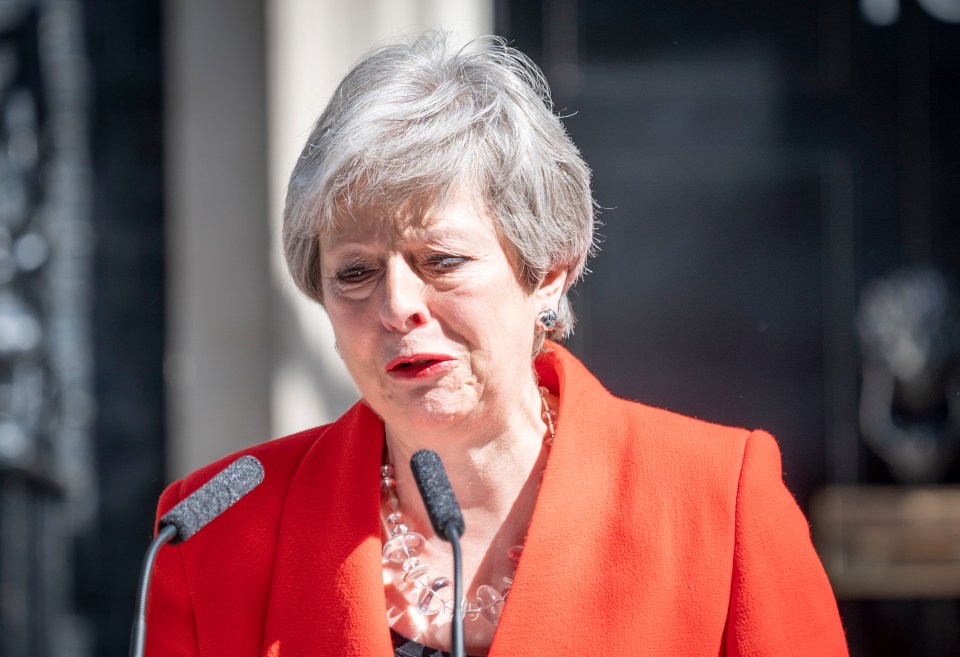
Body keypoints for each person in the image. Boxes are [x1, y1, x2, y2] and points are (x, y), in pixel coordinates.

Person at [146, 33, 848, 657]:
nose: (396, 307)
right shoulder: (213, 532)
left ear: (547, 270)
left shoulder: (716, 504)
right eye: (354, 273)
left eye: (442, 260)